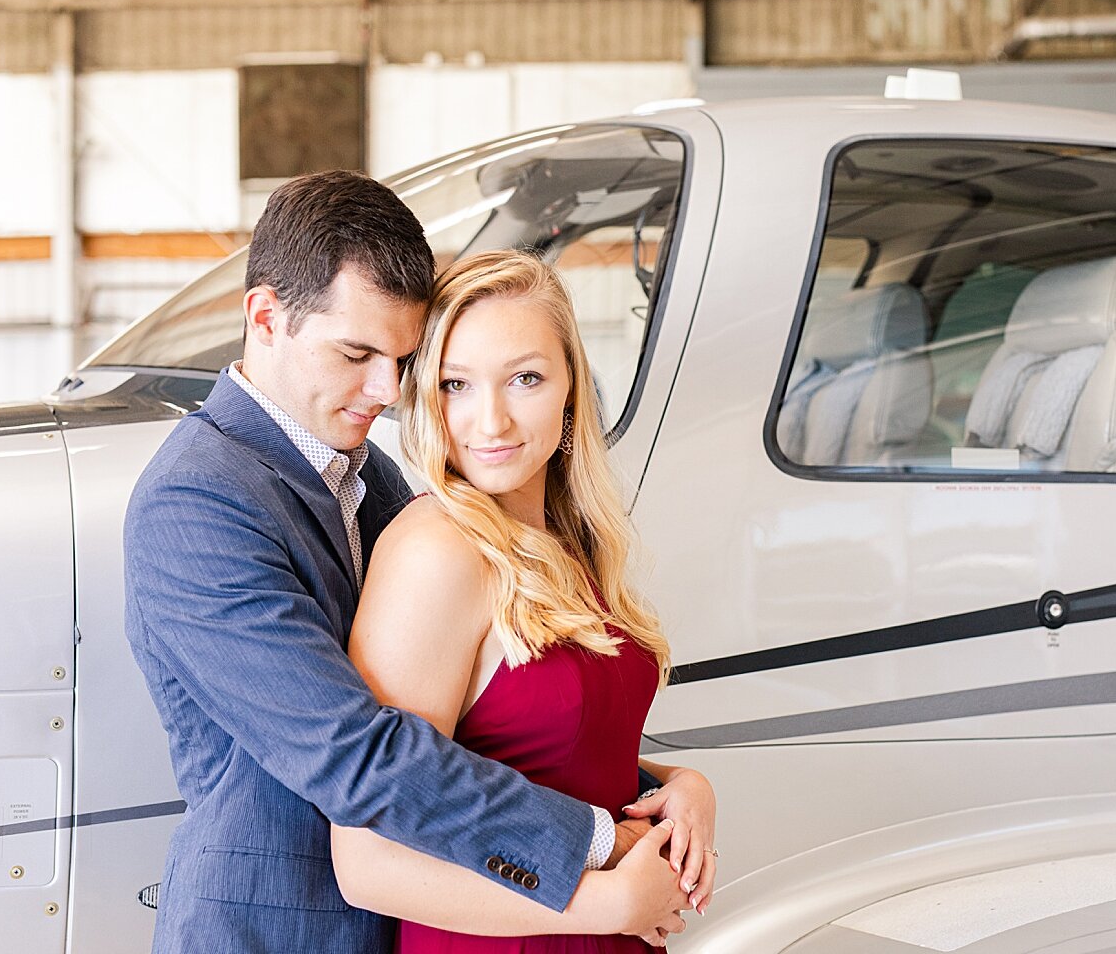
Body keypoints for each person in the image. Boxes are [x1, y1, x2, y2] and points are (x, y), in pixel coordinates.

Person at [124, 172, 687, 954]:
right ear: (265, 318)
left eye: (403, 360)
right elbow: (358, 753)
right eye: (357, 353)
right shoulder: (195, 500)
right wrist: (602, 844)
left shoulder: (366, 475)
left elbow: (484, 721)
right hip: (276, 930)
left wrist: (665, 791)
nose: (387, 390)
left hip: (427, 915)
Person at [329, 250, 719, 951]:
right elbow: (369, 862)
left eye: (526, 378)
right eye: (457, 384)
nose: (493, 422)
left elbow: (542, 751)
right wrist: (601, 906)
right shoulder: (435, 552)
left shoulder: (569, 538)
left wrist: (681, 784)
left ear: (572, 387)